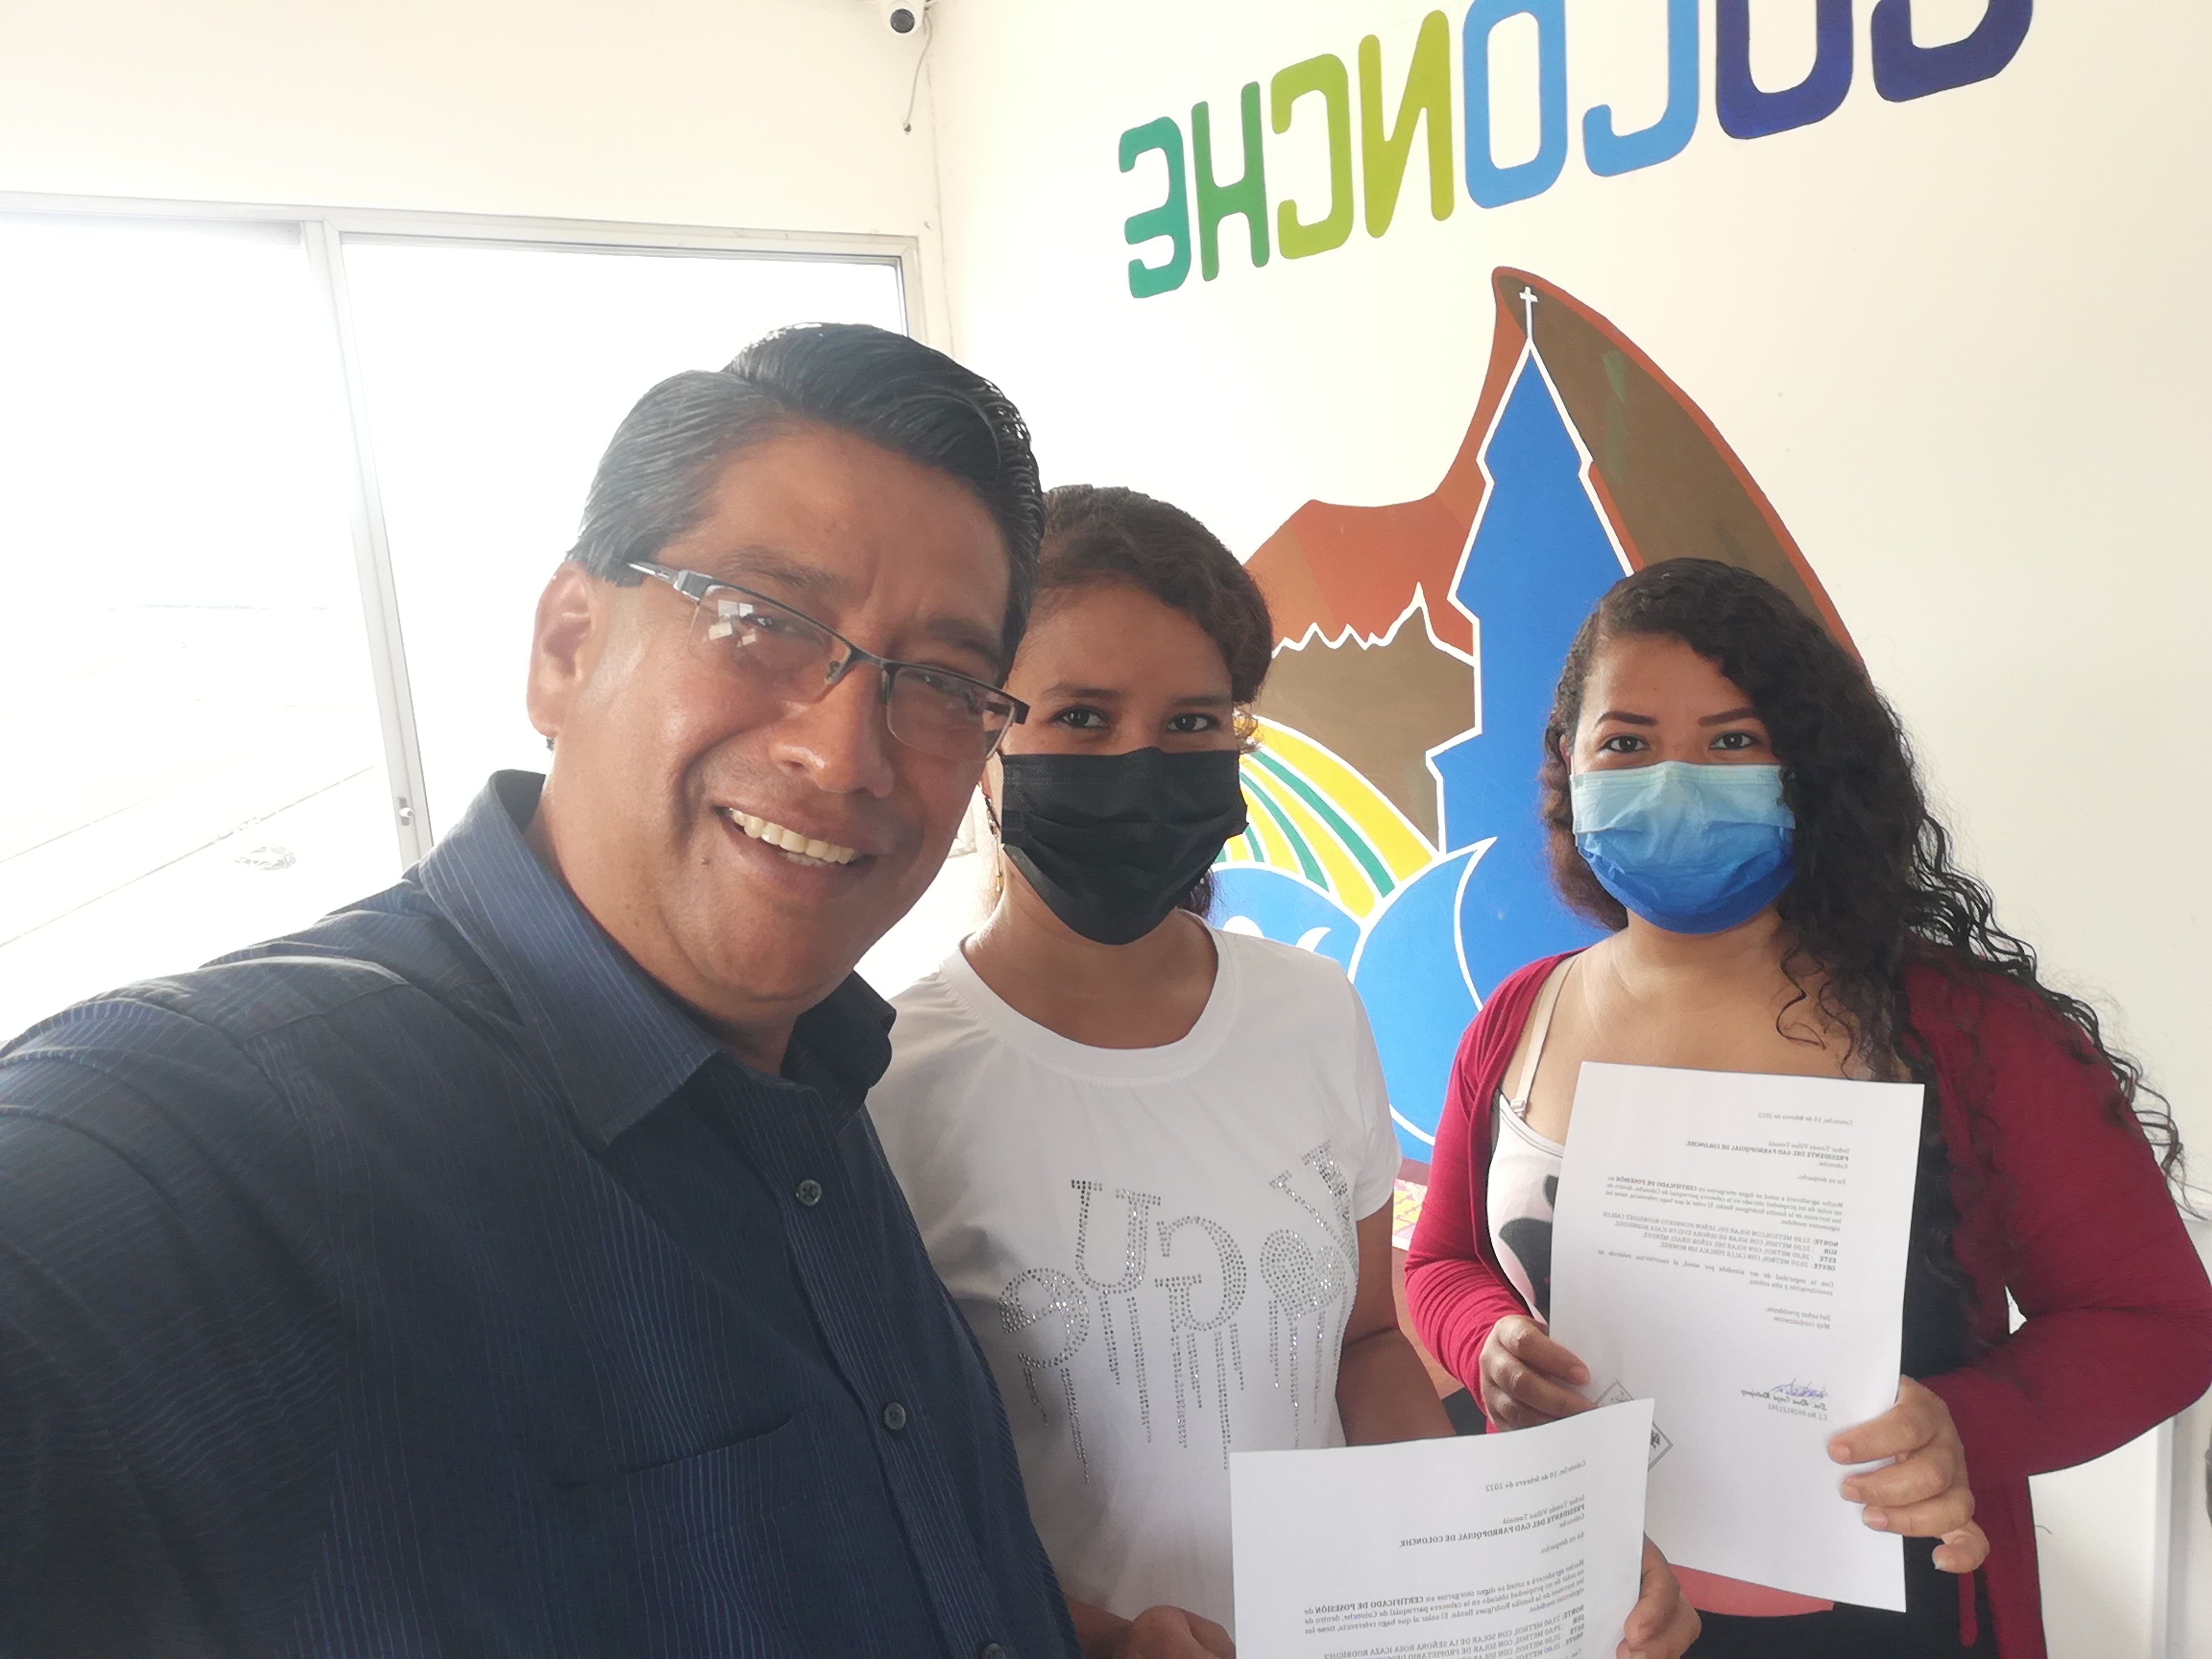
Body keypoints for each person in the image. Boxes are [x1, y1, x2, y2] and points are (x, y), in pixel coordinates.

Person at [0, 323, 1083, 1658]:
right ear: (568, 646)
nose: (846, 752)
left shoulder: (819, 1076)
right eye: (761, 622)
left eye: (940, 685)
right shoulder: (236, 1126)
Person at [869, 486, 1700, 1659]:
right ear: (984, 734)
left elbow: (1364, 1345)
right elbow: (895, 1496)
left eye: (1194, 722)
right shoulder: (886, 1086)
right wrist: (1109, 1641)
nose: (1141, 763)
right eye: (1082, 717)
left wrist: (1480, 1564)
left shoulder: (1312, 1013)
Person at [1405, 558, 2212, 1659]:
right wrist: (1486, 1343)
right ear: (1570, 768)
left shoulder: (1968, 1032)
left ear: (1810, 770)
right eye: (1627, 744)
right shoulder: (1520, 1016)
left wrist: (1963, 1425)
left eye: (1733, 740)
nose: (1675, 783)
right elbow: (1444, 1258)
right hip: (1584, 1601)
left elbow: (2157, 1323)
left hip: (1894, 1612)